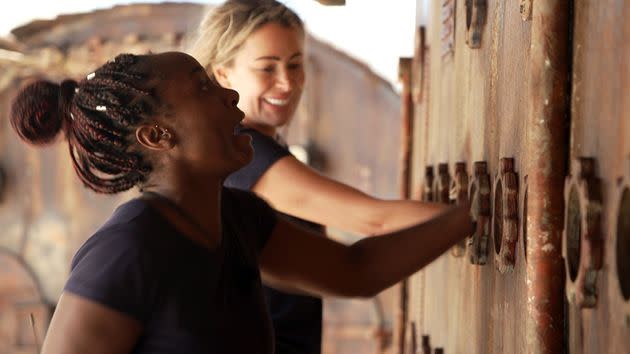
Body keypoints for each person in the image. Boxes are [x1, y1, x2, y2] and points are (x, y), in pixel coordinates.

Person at [10, 51, 473, 354]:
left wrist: (467, 218)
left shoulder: (238, 217)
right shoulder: (127, 252)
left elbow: (356, 271)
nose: (230, 94)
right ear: (157, 135)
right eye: (203, 88)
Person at [187, 1, 460, 353]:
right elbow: (373, 219)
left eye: (295, 64)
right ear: (224, 74)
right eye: (267, 68)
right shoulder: (248, 156)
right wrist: (474, 216)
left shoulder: (242, 146)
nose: (286, 82)